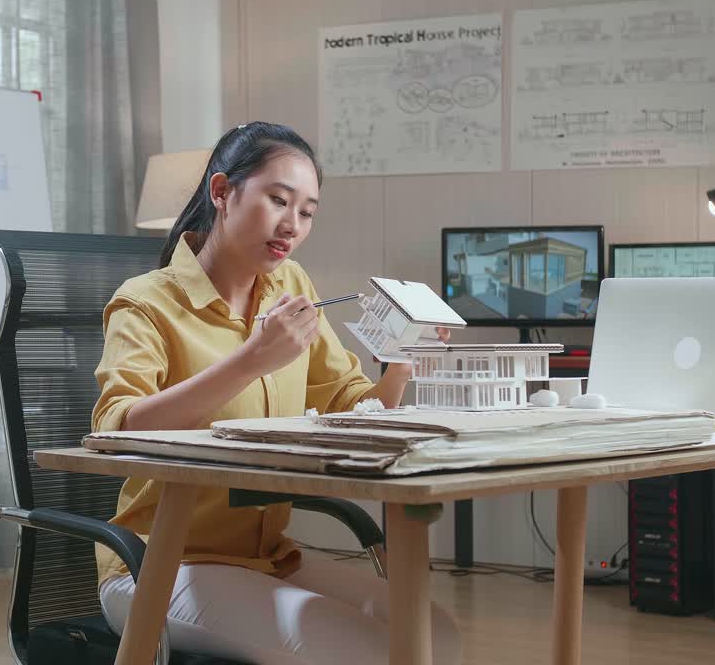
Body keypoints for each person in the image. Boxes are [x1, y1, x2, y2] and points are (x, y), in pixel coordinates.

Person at [91, 121, 461, 664]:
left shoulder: (293, 287)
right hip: (162, 564)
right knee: (366, 651)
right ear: (222, 192)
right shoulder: (146, 302)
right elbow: (117, 429)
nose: (292, 225)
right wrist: (251, 361)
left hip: (267, 557)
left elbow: (351, 408)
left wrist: (404, 359)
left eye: (307, 211)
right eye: (278, 200)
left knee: (435, 634)